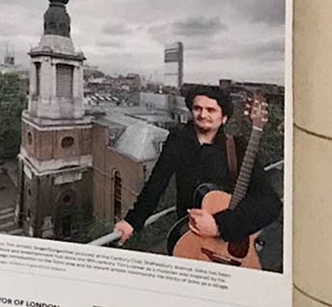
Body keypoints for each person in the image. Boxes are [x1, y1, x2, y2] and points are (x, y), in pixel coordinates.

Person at [114, 87, 280, 253]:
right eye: (197, 108)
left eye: (211, 110)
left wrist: (219, 226)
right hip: (188, 235)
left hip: (229, 239)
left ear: (223, 118)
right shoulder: (178, 142)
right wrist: (132, 221)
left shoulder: (238, 148)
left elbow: (270, 203)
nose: (202, 115)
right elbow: (156, 184)